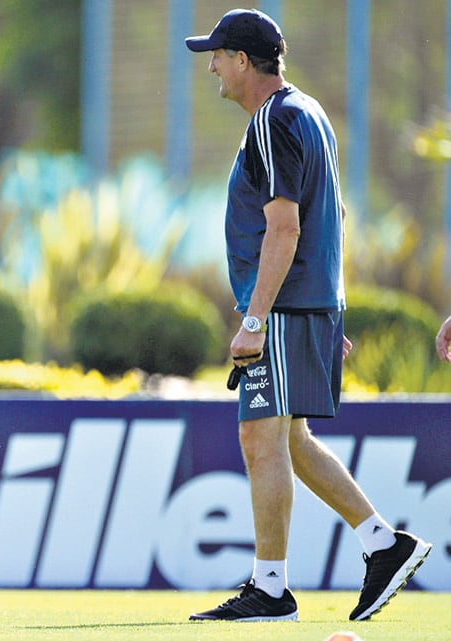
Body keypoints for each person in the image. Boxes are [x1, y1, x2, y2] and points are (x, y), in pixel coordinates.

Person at [184, 9, 431, 622]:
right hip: (308, 304)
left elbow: (287, 225)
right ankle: (382, 543)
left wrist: (255, 319)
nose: (210, 65)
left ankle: (270, 588)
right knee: (289, 440)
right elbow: (337, 215)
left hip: (287, 307)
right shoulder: (309, 112)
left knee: (261, 436)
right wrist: (330, 306)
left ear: (243, 61)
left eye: (216, 54)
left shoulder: (272, 120)